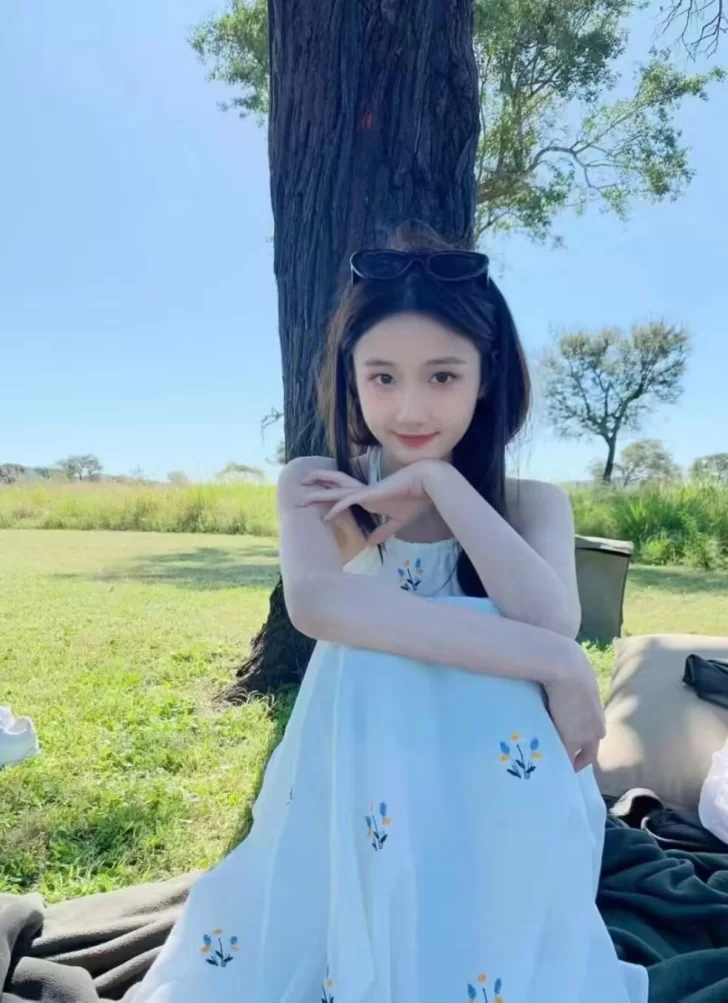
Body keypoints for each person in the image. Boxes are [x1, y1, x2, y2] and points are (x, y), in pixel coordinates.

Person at [132, 223, 649, 1003]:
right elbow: (319, 604)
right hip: (367, 767)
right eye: (382, 377)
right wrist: (556, 663)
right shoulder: (320, 485)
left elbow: (551, 617)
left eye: (442, 376)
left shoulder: (532, 503)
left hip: (493, 784)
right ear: (351, 377)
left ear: (486, 376)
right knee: (372, 646)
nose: (410, 407)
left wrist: (442, 485)